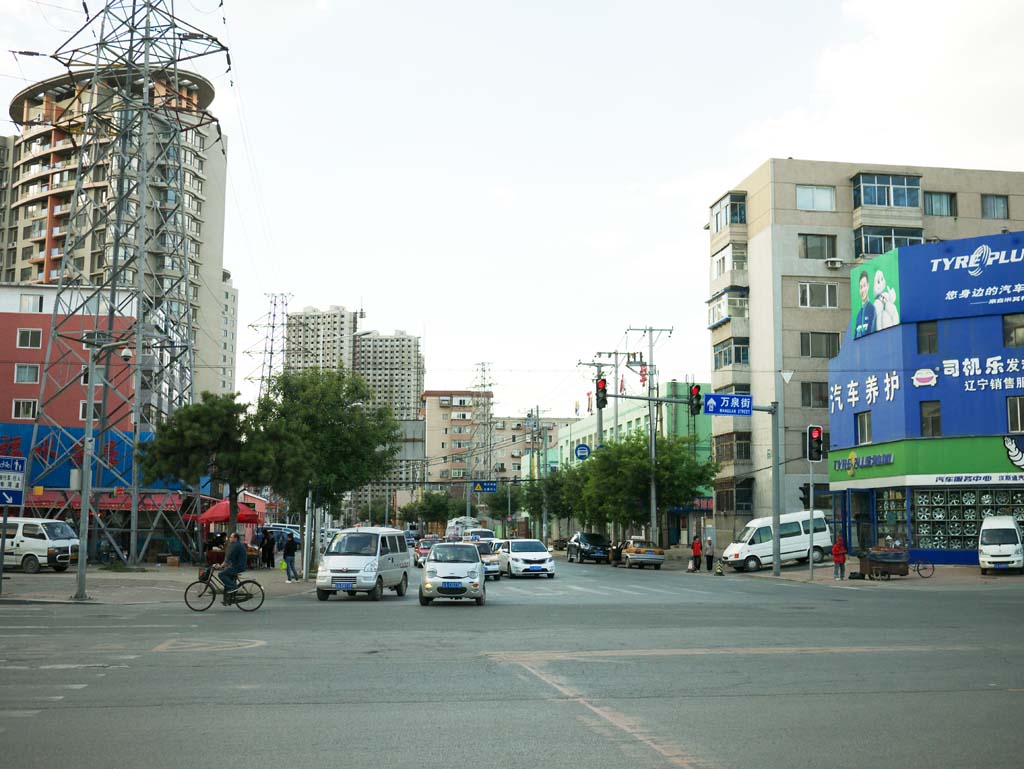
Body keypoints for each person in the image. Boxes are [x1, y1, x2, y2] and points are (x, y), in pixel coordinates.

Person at [215, 532, 246, 603]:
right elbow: (230, 558)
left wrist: (221, 566)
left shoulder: (236, 546)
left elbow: (229, 557)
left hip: (238, 566)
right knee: (227, 578)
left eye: (231, 537)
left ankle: (234, 587)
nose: (229, 538)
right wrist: (224, 565)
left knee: (221, 574)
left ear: (235, 538)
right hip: (236, 565)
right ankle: (228, 599)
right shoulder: (235, 544)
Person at [853, 270, 877, 338]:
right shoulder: (858, 315)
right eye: (861, 287)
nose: (863, 290)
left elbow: (872, 334)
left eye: (864, 286)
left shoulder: (872, 309)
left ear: (868, 286)